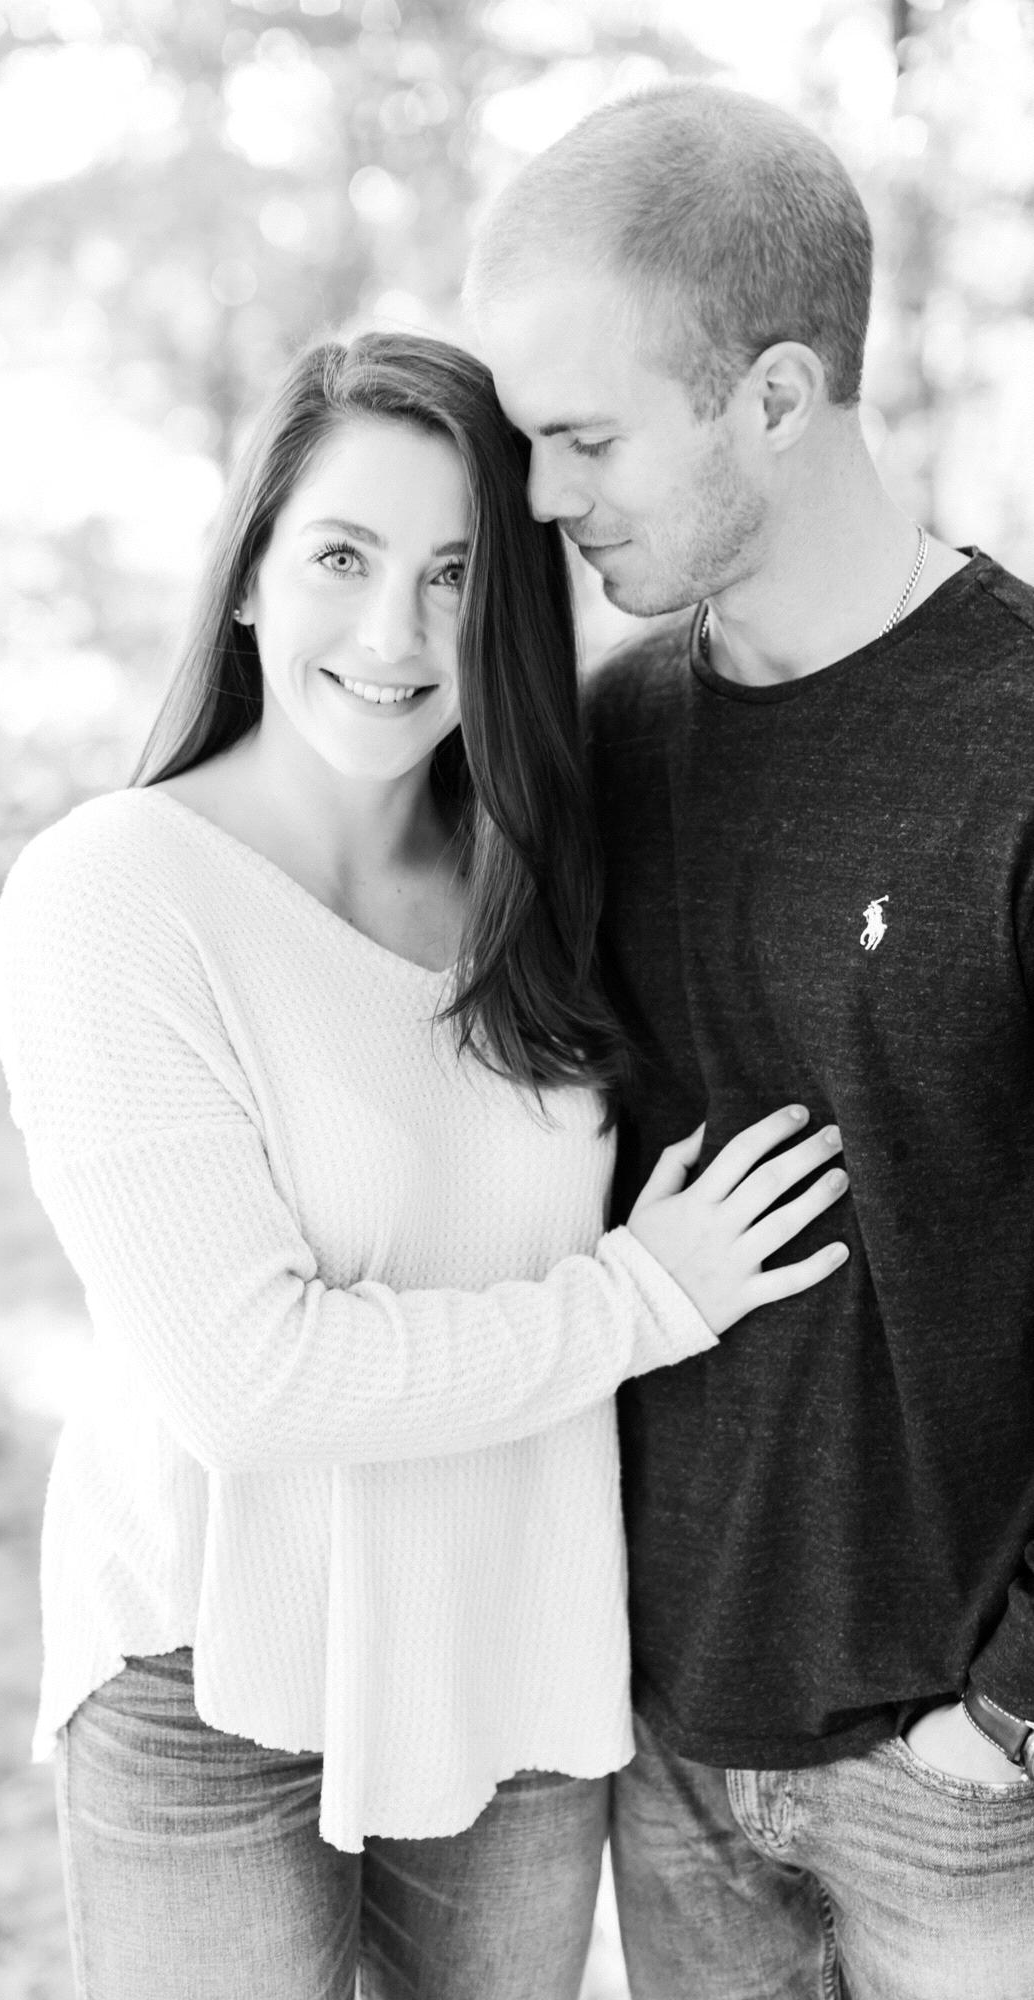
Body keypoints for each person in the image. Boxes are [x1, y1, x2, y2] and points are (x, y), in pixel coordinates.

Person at [0, 329, 849, 2000]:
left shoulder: (540, 870)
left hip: (511, 1651)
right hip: (216, 1669)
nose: (394, 634)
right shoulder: (116, 893)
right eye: (342, 557)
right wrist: (639, 1300)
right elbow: (248, 1381)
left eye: (456, 576)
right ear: (248, 578)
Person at [467, 80, 1034, 2000]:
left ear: (776, 397)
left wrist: (1005, 1717)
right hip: (663, 1750)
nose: (540, 499)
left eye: (587, 438)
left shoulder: (1016, 748)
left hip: (962, 1795)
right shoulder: (603, 745)